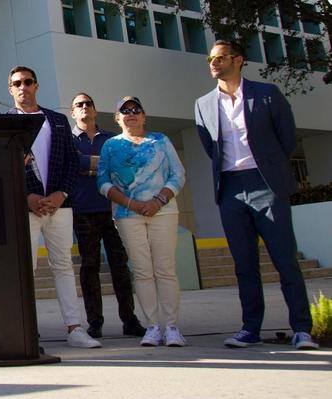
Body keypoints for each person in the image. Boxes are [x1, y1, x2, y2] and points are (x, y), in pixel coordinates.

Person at [194, 39, 319, 350]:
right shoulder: (203, 104)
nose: (213, 63)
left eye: (220, 58)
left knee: (284, 260)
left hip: (267, 185)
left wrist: (268, 166)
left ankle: (302, 329)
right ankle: (250, 328)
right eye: (211, 58)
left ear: (238, 60)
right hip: (230, 189)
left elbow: (287, 138)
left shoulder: (267, 94)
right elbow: (210, 146)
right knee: (244, 264)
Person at [6, 66, 101, 349]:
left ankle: (74, 328)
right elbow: (0, 166)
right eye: (17, 83)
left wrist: (62, 193)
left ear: (36, 85)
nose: (23, 87)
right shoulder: (4, 123)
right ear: (10, 89)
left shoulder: (57, 120)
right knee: (27, 269)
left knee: (64, 267)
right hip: (26, 208)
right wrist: (26, 197)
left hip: (60, 206)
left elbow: (73, 162)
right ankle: (27, 331)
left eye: (28, 82)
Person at [97, 96, 187, 347]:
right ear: (117, 118)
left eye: (136, 109)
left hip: (164, 212)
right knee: (142, 271)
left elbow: (177, 174)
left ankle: (171, 327)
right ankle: (153, 326)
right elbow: (102, 182)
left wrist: (158, 200)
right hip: (128, 215)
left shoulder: (160, 141)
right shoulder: (110, 146)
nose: (131, 113)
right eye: (124, 111)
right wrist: (131, 204)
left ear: (144, 116)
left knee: (165, 270)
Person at [70, 93, 146, 339]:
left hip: (114, 210)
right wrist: (103, 166)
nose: (84, 108)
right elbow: (73, 163)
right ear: (73, 112)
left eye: (88, 104)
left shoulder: (112, 139)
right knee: (89, 267)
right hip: (83, 211)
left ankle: (130, 320)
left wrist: (90, 166)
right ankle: (95, 322)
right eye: (79, 105)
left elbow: (122, 166)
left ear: (95, 109)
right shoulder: (68, 139)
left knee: (120, 266)